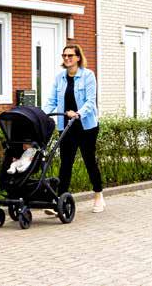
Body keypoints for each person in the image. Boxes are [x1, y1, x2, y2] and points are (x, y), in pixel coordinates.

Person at [43, 43, 105, 213]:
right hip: (66, 126)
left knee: (89, 161)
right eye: (64, 55)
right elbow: (52, 100)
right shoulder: (60, 78)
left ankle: (98, 195)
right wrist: (42, 114)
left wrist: (78, 113)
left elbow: (91, 102)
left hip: (86, 126)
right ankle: (60, 202)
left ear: (78, 57)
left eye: (70, 55)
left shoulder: (88, 75)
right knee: (65, 164)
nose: (67, 58)